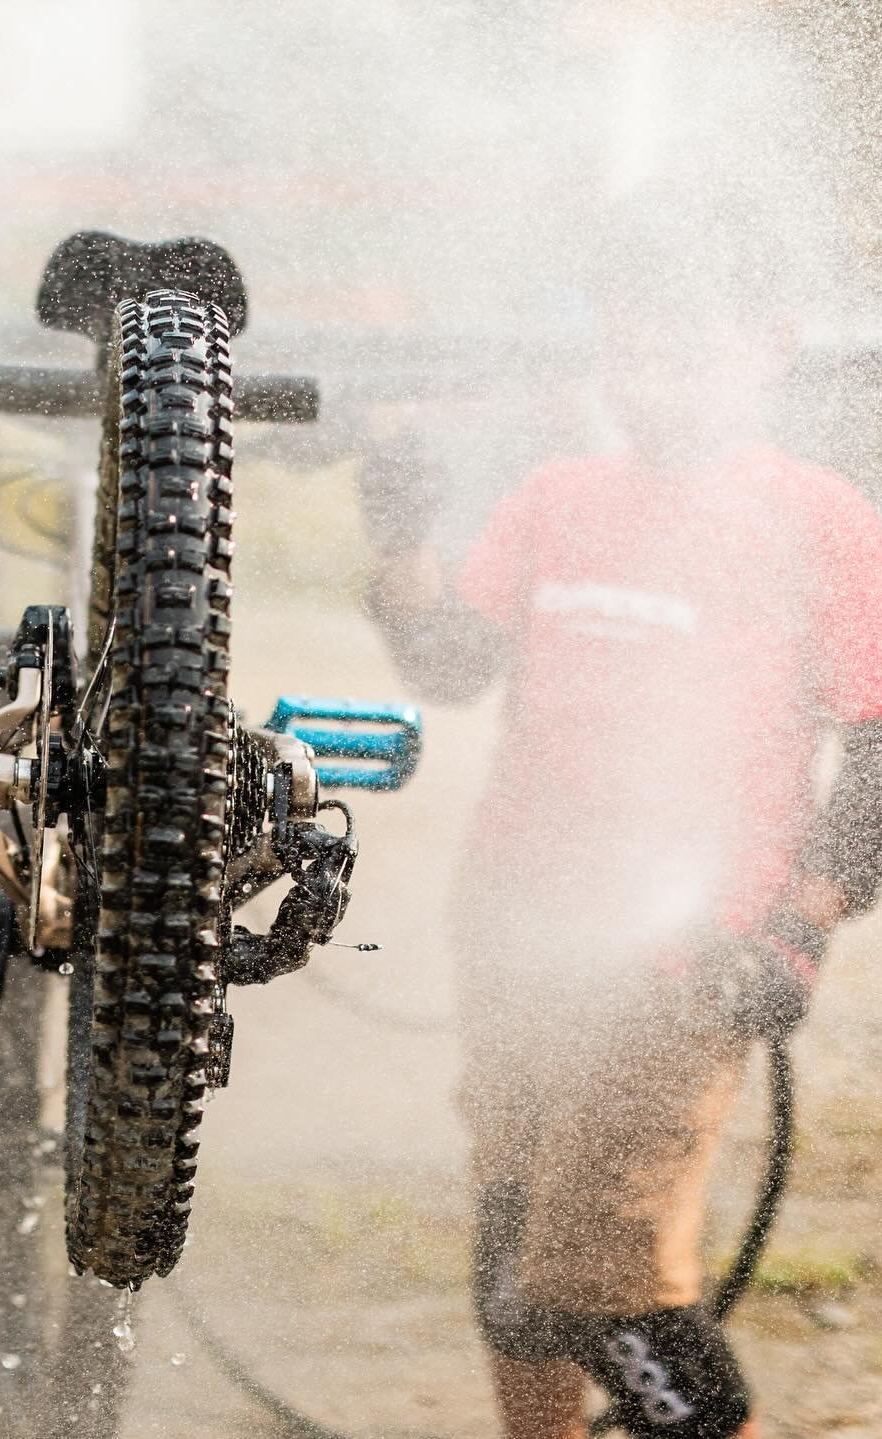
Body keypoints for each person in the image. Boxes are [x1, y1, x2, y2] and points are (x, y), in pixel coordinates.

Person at [364, 211, 882, 1439]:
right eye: (630, 349)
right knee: (510, 1267)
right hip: (520, 928)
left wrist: (798, 931)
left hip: (691, 957)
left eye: (686, 350)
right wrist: (395, 537)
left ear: (768, 345)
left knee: (604, 1290)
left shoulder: (821, 520)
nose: (652, 378)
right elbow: (450, 662)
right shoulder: (559, 497)